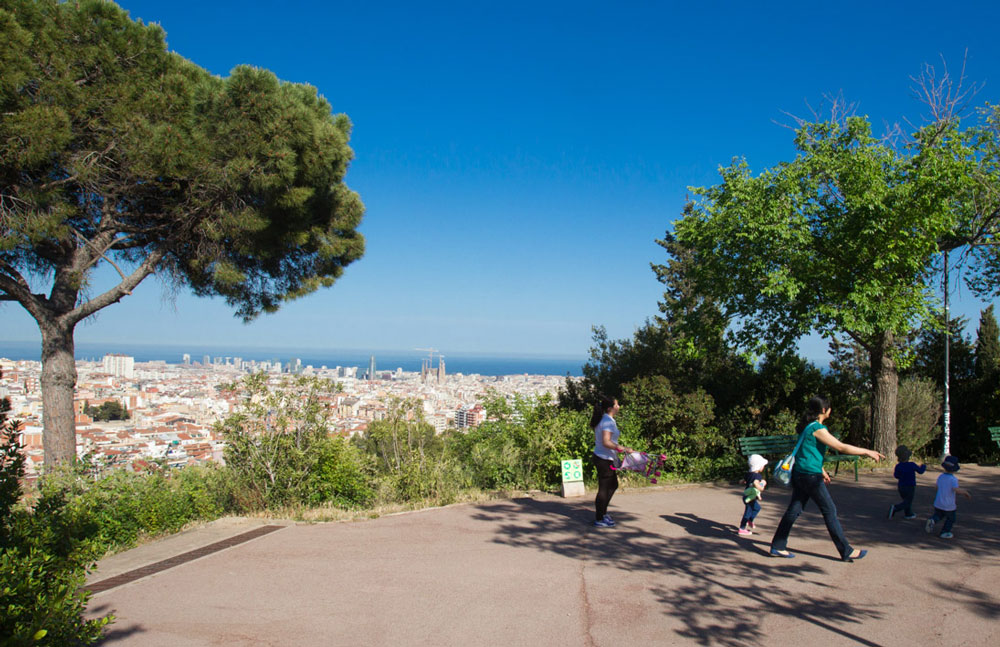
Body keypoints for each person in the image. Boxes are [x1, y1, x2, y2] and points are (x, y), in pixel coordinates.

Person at [769, 396, 885, 561]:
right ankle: (846, 551)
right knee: (829, 510)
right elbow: (840, 446)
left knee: (794, 509)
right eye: (829, 408)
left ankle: (778, 546)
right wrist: (867, 451)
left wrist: (822, 470)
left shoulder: (808, 427)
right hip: (809, 476)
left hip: (802, 473)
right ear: (824, 410)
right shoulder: (817, 428)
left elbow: (808, 452)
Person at [590, 395, 631, 528]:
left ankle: (603, 513)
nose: (618, 407)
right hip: (603, 459)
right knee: (604, 488)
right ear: (610, 408)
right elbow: (606, 442)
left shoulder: (605, 419)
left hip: (605, 457)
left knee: (613, 485)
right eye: (616, 405)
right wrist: (622, 449)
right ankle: (599, 518)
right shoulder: (607, 421)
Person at [925, 455, 972, 539]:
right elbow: (956, 489)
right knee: (951, 519)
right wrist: (965, 492)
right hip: (948, 504)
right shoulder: (953, 479)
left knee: (939, 515)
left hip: (938, 502)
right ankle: (945, 531)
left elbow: (936, 487)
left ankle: (933, 520)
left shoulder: (941, 476)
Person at [888, 445, 926, 520]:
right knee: (908, 501)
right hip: (910, 486)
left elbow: (896, 475)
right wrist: (923, 466)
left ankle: (908, 513)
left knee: (906, 500)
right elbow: (920, 471)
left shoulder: (898, 466)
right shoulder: (912, 465)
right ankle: (896, 508)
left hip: (901, 486)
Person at [738, 454, 768, 536]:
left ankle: (750, 520)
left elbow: (742, 480)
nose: (763, 467)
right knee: (748, 512)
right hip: (749, 497)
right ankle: (742, 528)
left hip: (747, 496)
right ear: (758, 466)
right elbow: (756, 483)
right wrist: (761, 486)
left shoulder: (749, 474)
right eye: (762, 466)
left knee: (757, 508)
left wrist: (743, 481)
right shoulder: (757, 476)